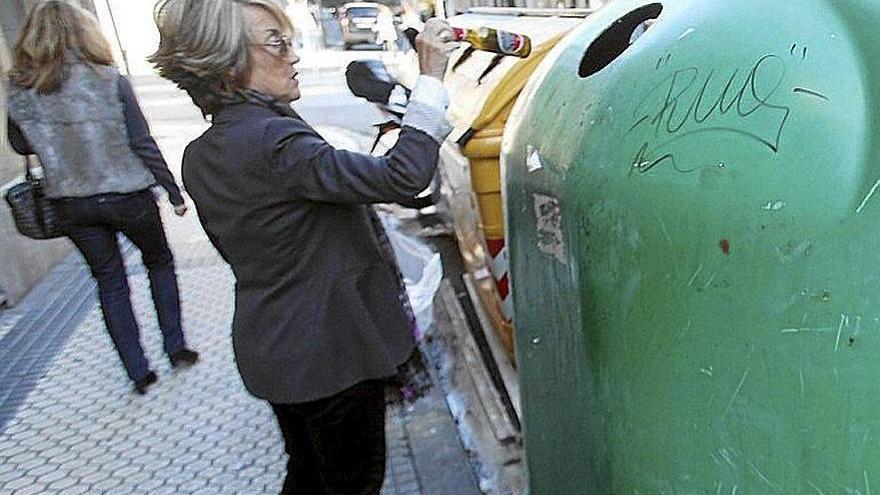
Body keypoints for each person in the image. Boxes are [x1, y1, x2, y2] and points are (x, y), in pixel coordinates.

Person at [149, 0, 456, 492]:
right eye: (275, 42)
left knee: (308, 473)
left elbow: (261, 241)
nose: (292, 55)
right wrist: (431, 80)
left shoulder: (201, 154)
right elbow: (404, 176)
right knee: (352, 482)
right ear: (228, 65)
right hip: (330, 355)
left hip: (273, 350)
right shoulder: (273, 140)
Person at [6, 1, 199, 395]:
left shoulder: (21, 88)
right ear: (85, 33)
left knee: (109, 282)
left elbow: (19, 142)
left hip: (70, 201)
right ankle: (176, 348)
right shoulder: (109, 80)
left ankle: (138, 372)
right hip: (127, 194)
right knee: (159, 262)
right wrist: (172, 190)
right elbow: (141, 141)